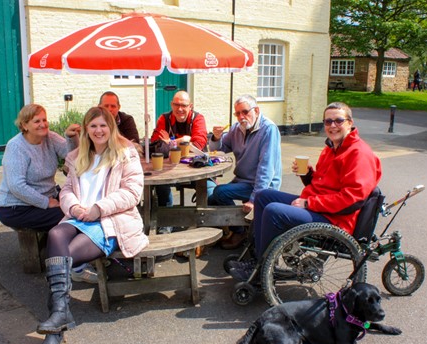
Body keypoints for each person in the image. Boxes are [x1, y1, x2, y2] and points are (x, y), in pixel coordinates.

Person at [36, 106, 148, 344]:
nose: (98, 130)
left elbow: (132, 194)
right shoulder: (77, 157)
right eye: (93, 126)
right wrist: (73, 206)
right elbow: (65, 191)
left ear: (111, 127)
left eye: (103, 125)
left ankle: (55, 328)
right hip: (77, 217)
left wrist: (98, 208)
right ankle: (60, 317)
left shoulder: (126, 154)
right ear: (86, 129)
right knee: (54, 236)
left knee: (63, 258)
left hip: (109, 221)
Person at [226, 102, 382, 281]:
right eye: (327, 121)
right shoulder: (331, 148)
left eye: (338, 121)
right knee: (263, 196)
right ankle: (259, 258)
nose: (332, 126)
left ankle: (261, 271)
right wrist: (308, 175)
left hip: (336, 220)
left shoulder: (359, 154)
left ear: (350, 122)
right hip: (318, 208)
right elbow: (324, 185)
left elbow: (352, 199)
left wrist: (309, 203)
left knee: (273, 211)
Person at [208, 94, 282, 250]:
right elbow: (220, 149)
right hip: (242, 180)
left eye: (245, 112)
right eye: (238, 113)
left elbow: (266, 169)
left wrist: (255, 199)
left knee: (220, 192)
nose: (241, 117)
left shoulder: (268, 129)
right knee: (211, 199)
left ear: (256, 110)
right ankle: (225, 229)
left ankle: (239, 231)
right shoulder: (237, 128)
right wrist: (216, 137)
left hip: (262, 185)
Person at [0, 104, 78, 232]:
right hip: (16, 207)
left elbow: (73, 156)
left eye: (44, 120)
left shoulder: (50, 137)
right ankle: (58, 249)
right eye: (37, 121)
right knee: (70, 216)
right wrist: (46, 202)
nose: (43, 124)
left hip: (47, 196)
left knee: (79, 206)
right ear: (24, 125)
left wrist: (71, 137)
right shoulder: (16, 147)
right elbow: (16, 186)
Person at [149, 90, 212, 233]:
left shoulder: (198, 119)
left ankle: (203, 225)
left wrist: (169, 143)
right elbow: (155, 143)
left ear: (190, 106)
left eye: (183, 105)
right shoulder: (164, 119)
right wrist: (182, 140)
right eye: (176, 105)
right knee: (160, 183)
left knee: (210, 190)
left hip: (195, 169)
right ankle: (166, 222)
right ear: (171, 104)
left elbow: (199, 144)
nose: (180, 109)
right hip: (169, 169)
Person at [66, 91, 143, 155]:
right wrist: (71, 137)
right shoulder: (91, 120)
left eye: (113, 106)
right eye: (106, 106)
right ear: (99, 107)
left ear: (119, 107)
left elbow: (134, 145)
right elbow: (83, 146)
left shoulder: (127, 120)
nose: (109, 109)